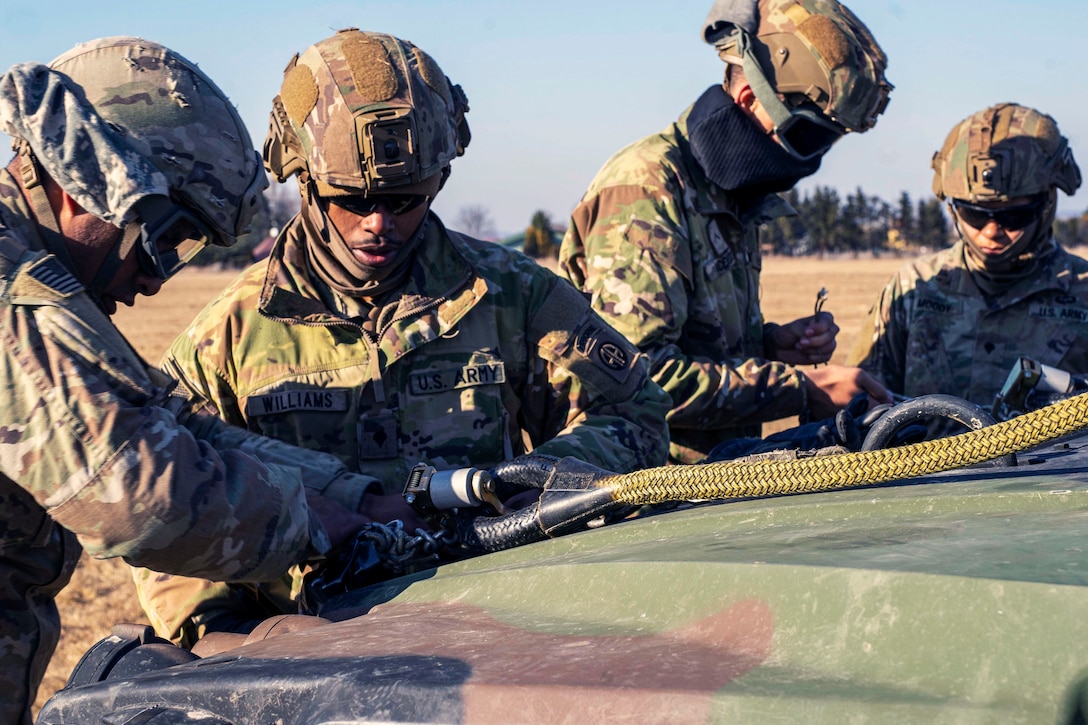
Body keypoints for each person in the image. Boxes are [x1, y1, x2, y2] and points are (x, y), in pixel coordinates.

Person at [134, 29, 671, 645]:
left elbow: (635, 416)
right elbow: (171, 505)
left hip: (501, 627)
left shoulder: (512, 295)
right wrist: (230, 638)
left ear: (439, 180)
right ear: (302, 179)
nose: (377, 223)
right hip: (308, 653)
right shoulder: (226, 336)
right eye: (351, 199)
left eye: (405, 199)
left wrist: (532, 480)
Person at [0, 37, 425, 723]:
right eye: (167, 236)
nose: (153, 278)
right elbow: (133, 489)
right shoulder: (13, 295)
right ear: (90, 176)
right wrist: (316, 522)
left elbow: (171, 425)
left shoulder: (41, 281)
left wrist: (357, 496)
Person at [558, 0, 895, 464]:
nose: (811, 162)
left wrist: (770, 344)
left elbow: (697, 344)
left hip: (709, 485)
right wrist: (799, 388)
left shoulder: (729, 193)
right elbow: (635, 376)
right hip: (640, 498)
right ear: (751, 101)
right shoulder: (646, 188)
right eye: (809, 138)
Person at [847, 103, 1087, 407]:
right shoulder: (914, 288)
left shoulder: (1082, 292)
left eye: (1013, 216)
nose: (991, 231)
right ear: (953, 209)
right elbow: (861, 404)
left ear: (1046, 206)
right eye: (974, 215)